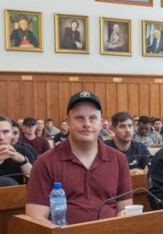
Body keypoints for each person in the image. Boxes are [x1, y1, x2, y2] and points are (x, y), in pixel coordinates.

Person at [26, 91, 133, 223]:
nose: (87, 124)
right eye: (79, 118)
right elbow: (35, 217)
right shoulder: (45, 162)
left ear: (101, 123)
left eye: (93, 118)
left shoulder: (119, 159)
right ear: (68, 122)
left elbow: (125, 209)